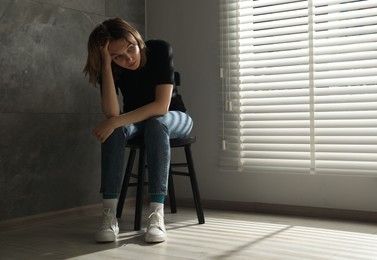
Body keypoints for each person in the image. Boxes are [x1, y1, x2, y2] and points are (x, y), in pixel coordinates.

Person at [83, 18, 192, 243]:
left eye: (130, 48)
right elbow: (112, 113)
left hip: (175, 117)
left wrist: (115, 121)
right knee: (114, 129)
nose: (128, 58)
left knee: (156, 123)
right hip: (139, 120)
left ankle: (156, 215)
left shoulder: (160, 49)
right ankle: (109, 215)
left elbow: (161, 106)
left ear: (136, 38)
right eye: (117, 56)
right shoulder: (112, 66)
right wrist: (105, 65)